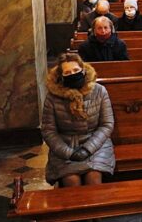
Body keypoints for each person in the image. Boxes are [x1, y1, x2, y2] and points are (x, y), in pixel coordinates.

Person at [42, 53, 115, 187]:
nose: (73, 74)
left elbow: (107, 125)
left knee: (93, 176)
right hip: (65, 145)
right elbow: (48, 131)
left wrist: (88, 149)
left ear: (83, 70)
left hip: (96, 144)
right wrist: (68, 152)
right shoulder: (52, 97)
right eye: (67, 72)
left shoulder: (99, 91)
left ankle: (96, 208)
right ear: (61, 77)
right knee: (71, 179)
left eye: (76, 70)